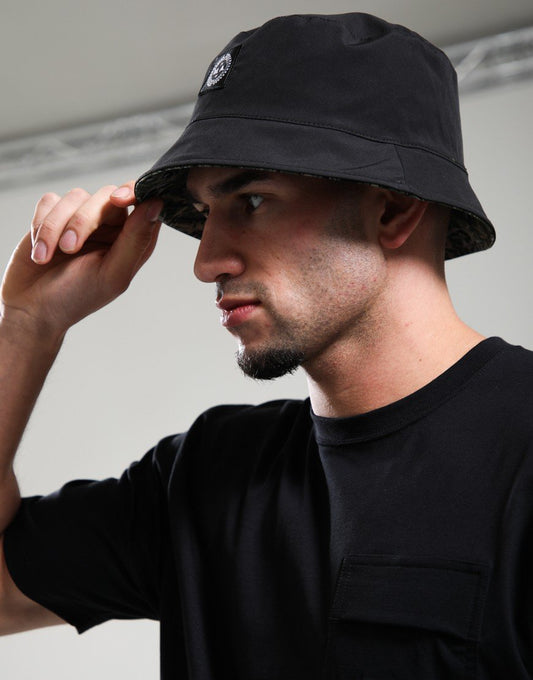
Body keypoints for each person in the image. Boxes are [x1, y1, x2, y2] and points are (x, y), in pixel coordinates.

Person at [0, 11, 532, 680]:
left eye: (251, 201)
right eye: (203, 214)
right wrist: (29, 324)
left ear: (392, 209)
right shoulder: (207, 476)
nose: (206, 262)